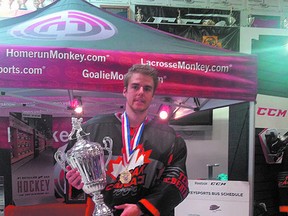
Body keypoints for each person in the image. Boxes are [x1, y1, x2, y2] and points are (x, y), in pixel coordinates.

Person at [65, 64, 189, 216]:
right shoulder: (92, 129)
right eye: (135, 87)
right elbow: (72, 167)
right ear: (125, 91)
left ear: (153, 94)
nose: (141, 92)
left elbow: (176, 182)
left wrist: (141, 208)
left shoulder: (170, 138)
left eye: (147, 88)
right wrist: (74, 180)